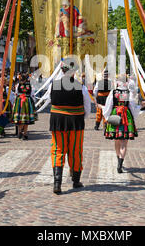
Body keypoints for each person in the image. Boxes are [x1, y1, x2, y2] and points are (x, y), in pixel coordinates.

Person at [45, 57, 91, 194]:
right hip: (75, 121)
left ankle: (57, 183)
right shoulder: (80, 87)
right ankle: (76, 181)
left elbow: (49, 100)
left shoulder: (53, 84)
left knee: (58, 149)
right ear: (74, 71)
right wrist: (82, 116)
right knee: (75, 150)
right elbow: (87, 106)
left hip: (58, 121)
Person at [103, 75, 140, 173]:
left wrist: (107, 117)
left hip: (116, 114)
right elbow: (132, 107)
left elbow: (108, 106)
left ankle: (118, 158)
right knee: (124, 142)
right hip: (126, 116)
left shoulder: (113, 92)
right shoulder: (129, 93)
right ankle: (120, 162)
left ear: (118, 81)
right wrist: (136, 113)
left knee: (117, 139)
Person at [11, 72, 37, 140]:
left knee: (20, 118)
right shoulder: (30, 85)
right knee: (26, 119)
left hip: (20, 101)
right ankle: (25, 134)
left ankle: (20, 132)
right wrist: (33, 103)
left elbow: (16, 94)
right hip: (27, 101)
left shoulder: (18, 85)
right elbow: (32, 94)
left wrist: (15, 102)